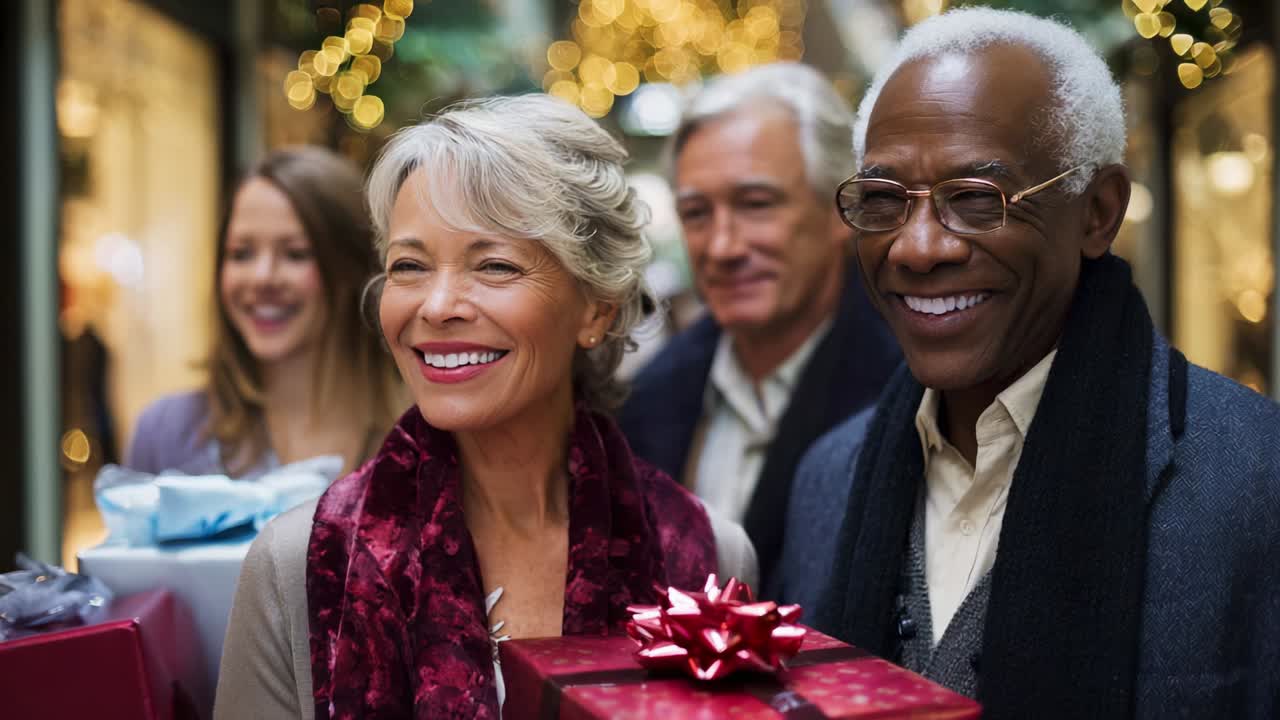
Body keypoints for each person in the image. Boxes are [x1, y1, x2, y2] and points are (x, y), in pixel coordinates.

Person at [774, 8, 1280, 719]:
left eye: (977, 200)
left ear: (1098, 212)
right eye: (885, 201)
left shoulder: (1255, 477)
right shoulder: (829, 478)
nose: (918, 248)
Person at [214, 95, 758, 719]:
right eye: (409, 266)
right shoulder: (301, 568)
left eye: (494, 265)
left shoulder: (706, 556)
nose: (439, 304)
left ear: (597, 307)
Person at [618, 63, 900, 591]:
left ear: (843, 209)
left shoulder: (911, 389)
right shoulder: (646, 401)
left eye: (756, 205)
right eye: (697, 213)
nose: (723, 247)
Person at [125, 147, 403, 478]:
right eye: (241, 254)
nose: (262, 277)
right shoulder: (166, 435)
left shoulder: (421, 438)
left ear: (353, 269)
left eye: (295, 254)